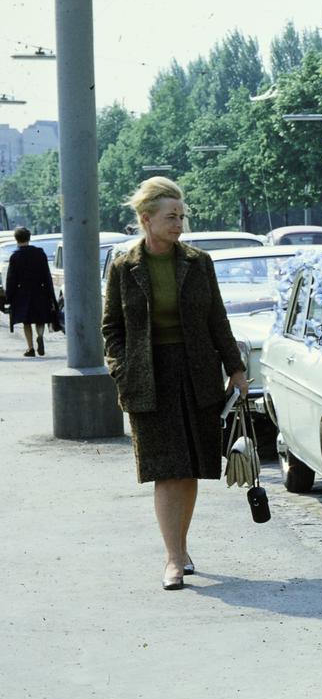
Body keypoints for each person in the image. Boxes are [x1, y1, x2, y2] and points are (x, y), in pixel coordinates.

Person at [102, 177, 247, 591]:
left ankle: (180, 547)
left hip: (197, 372)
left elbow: (216, 319)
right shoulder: (123, 266)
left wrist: (235, 370)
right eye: (171, 217)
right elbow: (111, 327)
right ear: (146, 220)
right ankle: (172, 559)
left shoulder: (198, 262)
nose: (179, 224)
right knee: (167, 470)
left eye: (182, 216)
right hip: (147, 377)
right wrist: (122, 370)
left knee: (192, 469)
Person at [5, 227, 56, 356]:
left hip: (22, 293)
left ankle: (30, 348)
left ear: (16, 239)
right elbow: (47, 274)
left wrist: (9, 297)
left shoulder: (15, 257)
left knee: (26, 321)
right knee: (40, 319)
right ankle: (40, 336)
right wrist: (50, 294)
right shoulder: (40, 253)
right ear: (29, 237)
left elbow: (11, 278)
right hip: (40, 290)